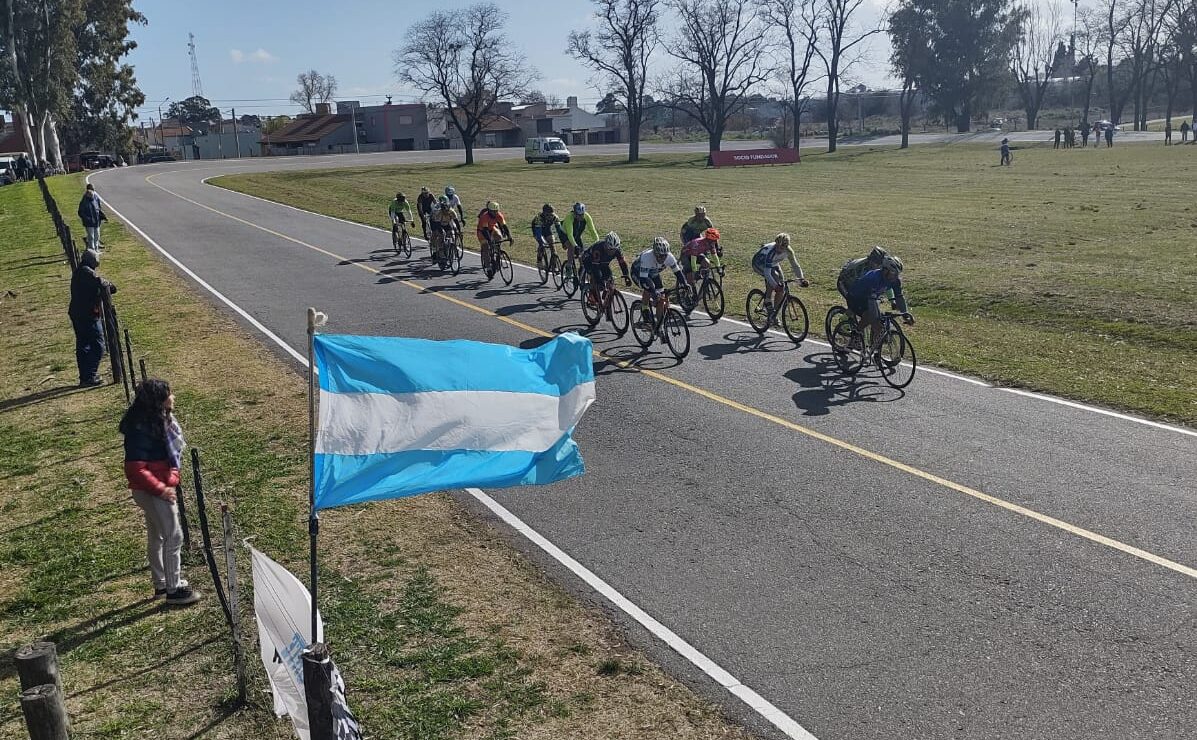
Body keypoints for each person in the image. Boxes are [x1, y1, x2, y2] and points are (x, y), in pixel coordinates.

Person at [121, 379, 202, 606]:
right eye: (169, 394)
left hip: (151, 488)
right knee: (173, 536)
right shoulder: (142, 430)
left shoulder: (152, 421)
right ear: (159, 401)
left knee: (156, 536)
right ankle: (173, 591)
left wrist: (172, 474)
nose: (173, 397)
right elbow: (135, 468)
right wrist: (162, 488)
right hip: (154, 490)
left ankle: (161, 583)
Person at [847, 255, 914, 362]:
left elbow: (899, 297)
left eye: (897, 274)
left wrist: (905, 314)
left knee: (878, 324)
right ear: (885, 270)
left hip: (871, 298)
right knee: (871, 318)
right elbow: (871, 306)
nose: (895, 276)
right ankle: (856, 334)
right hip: (856, 297)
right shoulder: (874, 278)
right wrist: (875, 323)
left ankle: (876, 352)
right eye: (893, 273)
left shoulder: (895, 280)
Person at [68, 249, 115, 387]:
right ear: (93, 260)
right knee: (98, 345)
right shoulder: (86, 272)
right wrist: (109, 285)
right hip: (87, 315)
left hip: (78, 313)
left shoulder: (81, 271)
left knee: (83, 345)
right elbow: (104, 284)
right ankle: (89, 376)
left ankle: (85, 376)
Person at [751, 233, 808, 322]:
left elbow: (795, 266)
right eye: (777, 246)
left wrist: (801, 279)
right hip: (758, 263)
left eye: (781, 247)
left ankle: (774, 313)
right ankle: (767, 301)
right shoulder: (771, 252)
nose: (778, 249)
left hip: (773, 263)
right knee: (774, 278)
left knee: (781, 285)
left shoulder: (789, 251)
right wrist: (775, 286)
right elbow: (767, 273)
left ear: (786, 247)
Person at [631, 237, 685, 325]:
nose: (663, 258)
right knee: (649, 288)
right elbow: (644, 280)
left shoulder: (670, 257)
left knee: (661, 298)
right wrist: (653, 291)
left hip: (653, 273)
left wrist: (685, 284)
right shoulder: (647, 257)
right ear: (655, 253)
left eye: (665, 255)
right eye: (660, 256)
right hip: (638, 273)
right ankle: (644, 308)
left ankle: (660, 326)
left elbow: (678, 273)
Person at [579, 231, 631, 307]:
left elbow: (622, 264)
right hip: (589, 261)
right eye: (610, 249)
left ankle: (606, 299)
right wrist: (600, 282)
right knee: (597, 279)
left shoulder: (617, 250)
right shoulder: (598, 249)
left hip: (603, 263)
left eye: (614, 250)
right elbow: (595, 269)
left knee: (610, 279)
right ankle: (592, 294)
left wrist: (626, 276)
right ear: (605, 245)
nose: (612, 252)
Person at [476, 200, 513, 279]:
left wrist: (509, 237)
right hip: (482, 231)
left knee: (499, 237)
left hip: (491, 228)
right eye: (493, 211)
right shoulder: (485, 217)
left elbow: (504, 226)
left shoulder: (499, 215)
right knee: (486, 247)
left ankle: (497, 252)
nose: (495, 213)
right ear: (489, 211)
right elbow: (485, 230)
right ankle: (488, 268)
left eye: (496, 211)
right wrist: (489, 241)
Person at [563, 202, 599, 275]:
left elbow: (592, 230)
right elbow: (570, 235)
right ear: (574, 213)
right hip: (565, 234)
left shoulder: (587, 216)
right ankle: (569, 266)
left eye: (582, 214)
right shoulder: (569, 217)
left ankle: (582, 268)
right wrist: (575, 246)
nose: (581, 217)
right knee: (571, 247)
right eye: (579, 215)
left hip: (577, 235)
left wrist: (597, 241)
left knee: (582, 254)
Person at [429, 196, 461, 265]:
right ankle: (436, 251)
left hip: (446, 223)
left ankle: (454, 247)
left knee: (452, 233)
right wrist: (441, 232)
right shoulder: (439, 213)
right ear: (442, 210)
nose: (446, 212)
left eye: (447, 211)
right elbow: (437, 225)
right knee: (440, 235)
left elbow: (456, 222)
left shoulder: (452, 212)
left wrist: (458, 231)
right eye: (444, 211)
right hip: (436, 222)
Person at [77, 183, 107, 252]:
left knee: (97, 236)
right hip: (89, 222)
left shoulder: (95, 198)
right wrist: (87, 218)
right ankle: (92, 250)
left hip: (96, 221)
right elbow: (80, 212)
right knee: (91, 236)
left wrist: (102, 216)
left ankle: (96, 248)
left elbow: (98, 209)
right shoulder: (84, 201)